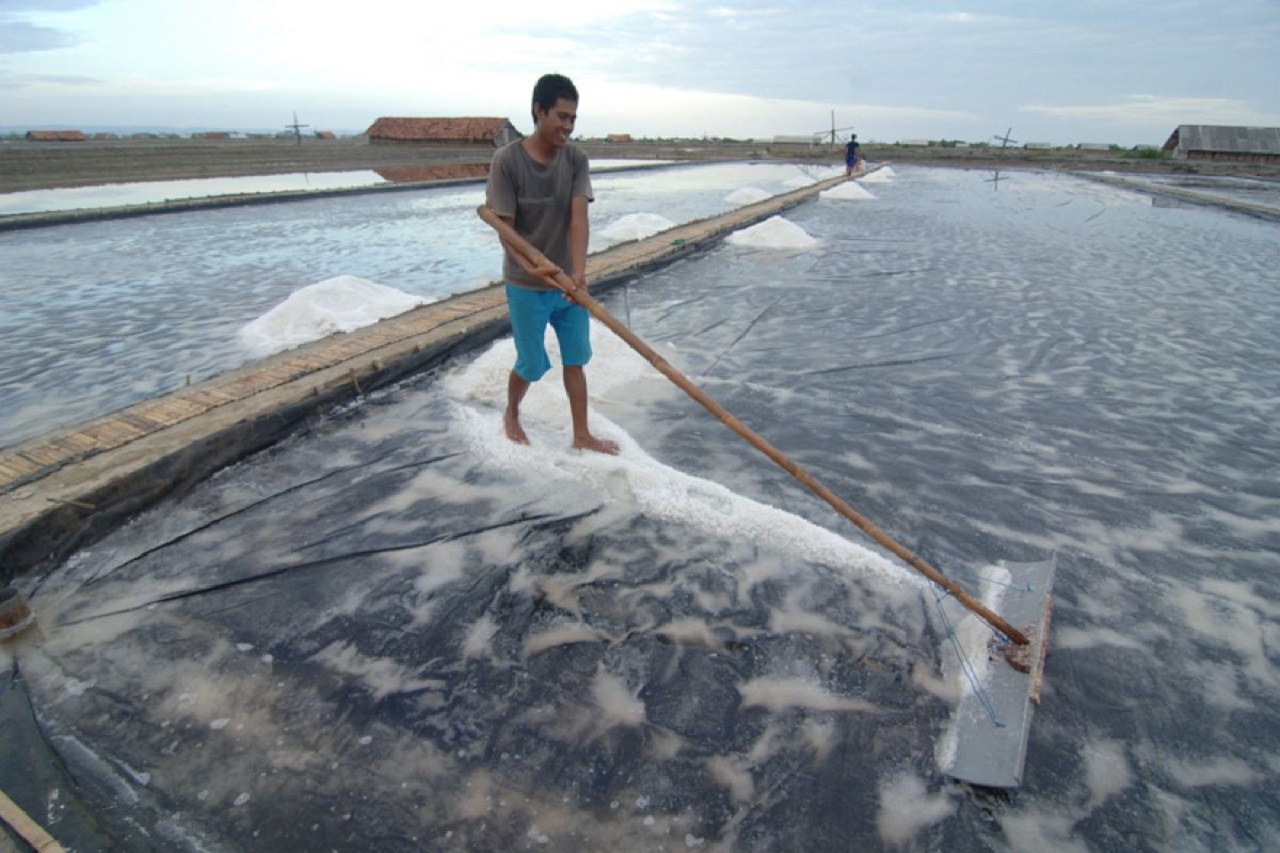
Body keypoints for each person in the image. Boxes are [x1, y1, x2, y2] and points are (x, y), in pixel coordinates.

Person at [484, 73, 620, 455]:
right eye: (561, 117)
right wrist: (531, 269)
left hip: (566, 283)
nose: (568, 126)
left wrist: (577, 275)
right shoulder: (507, 162)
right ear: (538, 111)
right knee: (532, 363)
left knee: (576, 357)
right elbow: (505, 231)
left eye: (573, 118)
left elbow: (579, 218)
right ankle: (511, 412)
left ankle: (582, 434)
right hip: (526, 284)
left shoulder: (575, 159)